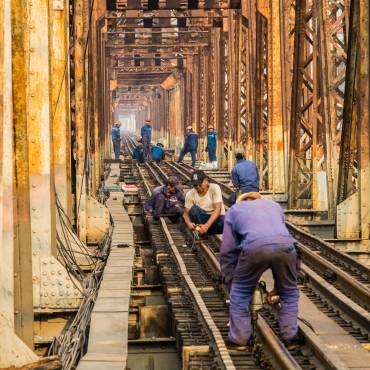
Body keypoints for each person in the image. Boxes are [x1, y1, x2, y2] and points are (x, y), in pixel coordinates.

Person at [220, 192, 301, 350]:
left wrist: (230, 280)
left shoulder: (234, 210)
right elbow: (276, 237)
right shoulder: (274, 206)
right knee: (290, 292)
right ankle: (291, 338)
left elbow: (228, 250)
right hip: (286, 246)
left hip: (255, 247)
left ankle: (239, 339)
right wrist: (279, 286)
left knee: (241, 291)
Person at [183, 170, 225, 235]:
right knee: (194, 210)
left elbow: (217, 210)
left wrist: (206, 226)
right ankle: (202, 231)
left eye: (200, 184)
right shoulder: (190, 193)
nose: (198, 187)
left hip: (216, 219)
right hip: (201, 219)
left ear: (206, 181)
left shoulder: (214, 188)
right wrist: (189, 223)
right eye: (195, 185)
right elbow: (185, 214)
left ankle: (205, 230)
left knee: (228, 221)